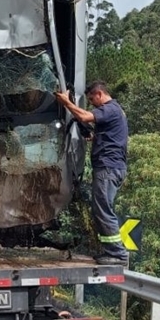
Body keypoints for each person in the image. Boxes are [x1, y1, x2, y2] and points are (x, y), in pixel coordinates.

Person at [54, 81, 130, 265]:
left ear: (99, 94)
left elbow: (86, 117)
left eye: (91, 99)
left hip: (108, 168)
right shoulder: (115, 112)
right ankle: (110, 251)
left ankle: (118, 254)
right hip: (110, 167)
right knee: (100, 209)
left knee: (104, 210)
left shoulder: (110, 108)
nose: (92, 104)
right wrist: (94, 137)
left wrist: (66, 102)